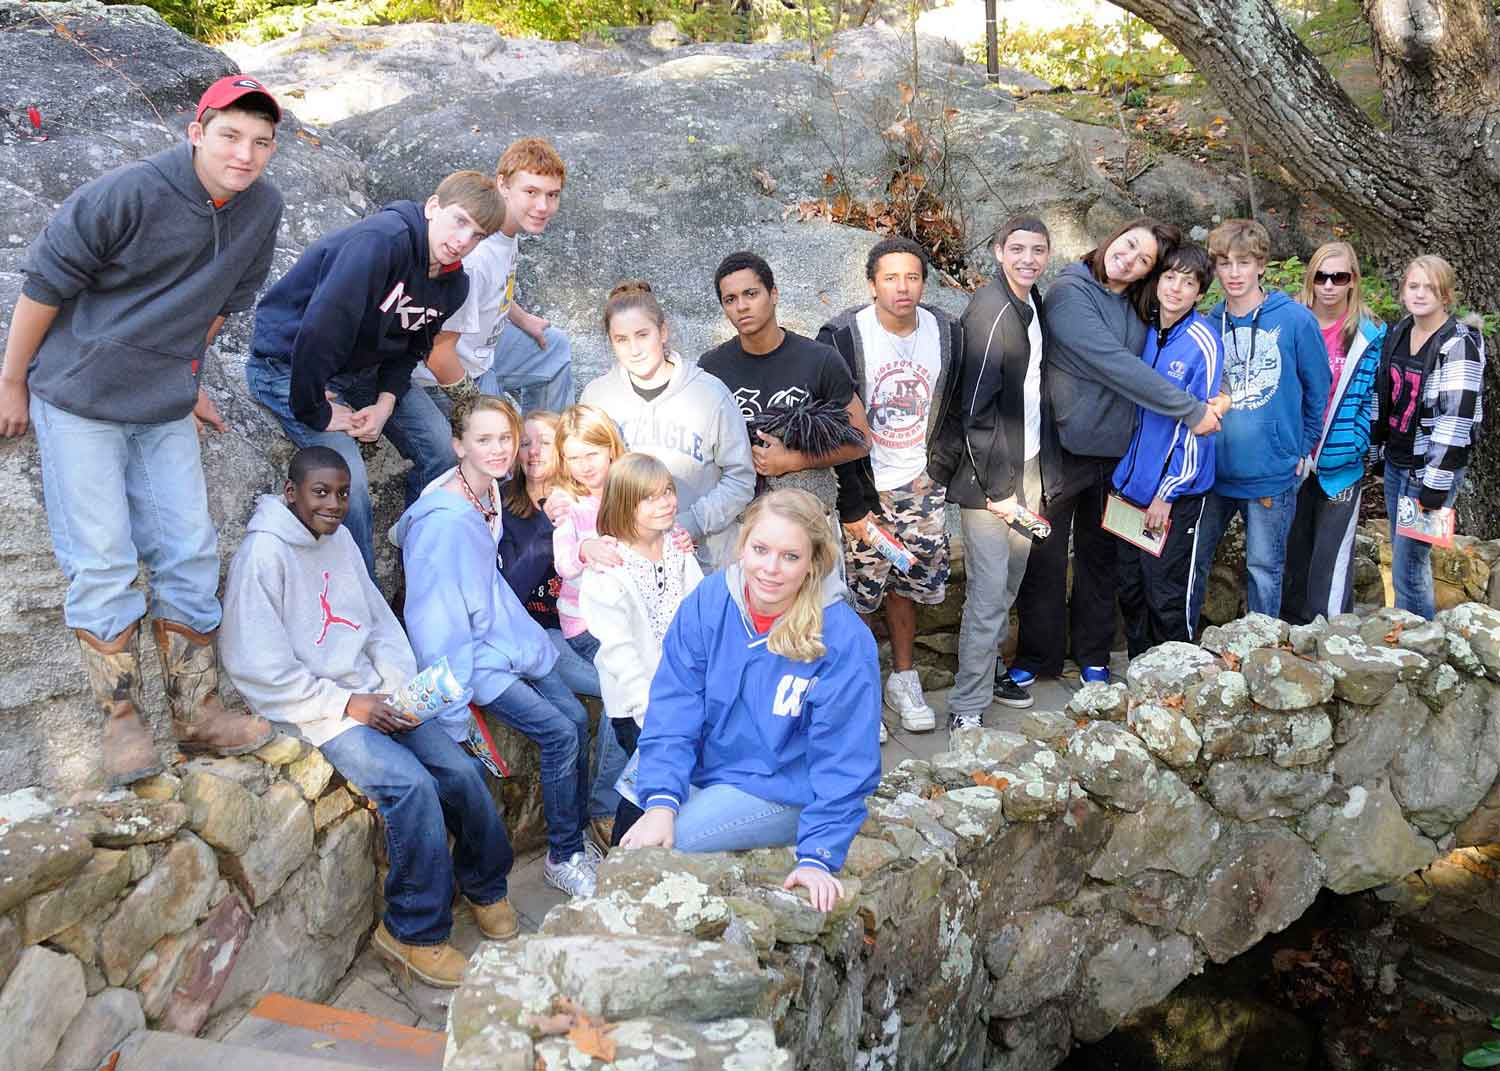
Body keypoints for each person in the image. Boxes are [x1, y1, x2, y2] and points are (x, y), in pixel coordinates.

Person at [0, 75, 286, 785]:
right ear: (196, 130)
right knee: (101, 557)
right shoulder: (128, 192)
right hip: (80, 395)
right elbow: (45, 282)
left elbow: (228, 299)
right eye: (230, 135)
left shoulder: (263, 207)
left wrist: (186, 374)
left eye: (261, 142)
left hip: (161, 401)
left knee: (189, 549)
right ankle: (121, 719)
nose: (244, 154)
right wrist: (12, 380)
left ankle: (197, 714)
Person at [221, 446, 517, 988]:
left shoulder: (340, 543)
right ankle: (413, 931)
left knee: (461, 770)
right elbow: (257, 666)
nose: (334, 505)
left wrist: (398, 692)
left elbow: (379, 626)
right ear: (291, 493)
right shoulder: (263, 556)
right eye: (320, 493)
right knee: (410, 787)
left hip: (374, 696)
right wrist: (346, 704)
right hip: (317, 713)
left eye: (341, 493)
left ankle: (484, 885)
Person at [619, 489, 882, 913]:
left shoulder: (842, 638)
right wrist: (662, 798)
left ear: (814, 561)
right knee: (632, 827)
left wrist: (819, 855)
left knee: (660, 851)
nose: (771, 569)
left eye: (790, 556)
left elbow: (846, 758)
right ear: (743, 546)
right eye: (760, 549)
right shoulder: (710, 601)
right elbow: (674, 704)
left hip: (778, 787)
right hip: (710, 762)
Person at [247, 170, 505, 576]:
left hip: (365, 372)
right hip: (291, 364)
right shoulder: (381, 243)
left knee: (443, 452)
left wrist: (386, 403)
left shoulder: (454, 286)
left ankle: (422, 574)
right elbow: (320, 329)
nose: (461, 240)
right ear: (433, 207)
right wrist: (316, 408)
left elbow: (413, 348)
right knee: (348, 483)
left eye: (476, 235)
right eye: (459, 221)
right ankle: (362, 599)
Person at [394, 395, 598, 898]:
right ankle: (563, 853)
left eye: (505, 438)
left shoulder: (488, 491)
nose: (500, 449)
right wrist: (454, 708)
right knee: (557, 731)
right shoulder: (443, 519)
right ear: (457, 444)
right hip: (474, 658)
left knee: (574, 719)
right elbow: (437, 619)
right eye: (484, 440)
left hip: (510, 636)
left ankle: (572, 836)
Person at [1010, 217, 1221, 687]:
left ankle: (1093, 656)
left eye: (1143, 260)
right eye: (1127, 246)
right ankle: (1036, 659)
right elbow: (1116, 364)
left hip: (1118, 458)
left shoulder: (1134, 302)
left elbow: (1175, 353)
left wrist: (1215, 394)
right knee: (1044, 555)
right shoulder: (1070, 292)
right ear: (1112, 238)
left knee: (1100, 559)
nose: (1128, 259)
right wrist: (1190, 409)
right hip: (1064, 448)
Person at [816, 237, 962, 735]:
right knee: (858, 593)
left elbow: (957, 403)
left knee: (907, 583)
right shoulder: (841, 336)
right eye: (891, 277)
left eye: (913, 277)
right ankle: (863, 693)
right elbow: (831, 421)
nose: (903, 288)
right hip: (863, 488)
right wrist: (851, 497)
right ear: (872, 282)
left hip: (919, 484)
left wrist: (938, 469)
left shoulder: (945, 330)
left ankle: (903, 679)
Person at [1187, 219, 1330, 630]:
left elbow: (1317, 389)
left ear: (1262, 265)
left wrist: (1303, 447)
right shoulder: (1208, 324)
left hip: (1272, 470)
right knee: (1194, 561)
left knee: (1264, 568)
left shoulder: (1295, 321)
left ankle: (1263, 650)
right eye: (1224, 263)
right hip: (1212, 471)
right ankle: (1183, 646)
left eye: (1243, 263)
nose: (1233, 273)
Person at [937, 216, 1051, 728]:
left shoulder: (1032, 301)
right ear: (999, 251)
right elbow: (975, 410)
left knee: (1008, 586)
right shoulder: (990, 310)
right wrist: (1002, 492)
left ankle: (987, 676)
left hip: (1026, 468)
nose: (1028, 259)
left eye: (1038, 250)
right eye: (1018, 249)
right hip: (988, 483)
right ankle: (966, 708)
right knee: (987, 596)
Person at [579, 280, 755, 571]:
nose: (634, 349)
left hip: (700, 559)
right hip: (627, 562)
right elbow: (579, 473)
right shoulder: (596, 396)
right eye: (621, 339)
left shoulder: (711, 394)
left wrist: (692, 522)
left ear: (662, 331)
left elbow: (740, 479)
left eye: (642, 335)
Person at [578, 454, 704, 843]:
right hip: (638, 705)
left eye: (667, 491)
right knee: (648, 786)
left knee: (663, 786)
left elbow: (701, 614)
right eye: (649, 498)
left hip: (685, 692)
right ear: (623, 504)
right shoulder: (608, 571)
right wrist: (652, 713)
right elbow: (619, 653)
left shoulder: (676, 547)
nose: (666, 502)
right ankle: (622, 861)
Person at [699, 252, 873, 521]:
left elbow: (861, 441)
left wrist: (793, 461)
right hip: (741, 525)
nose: (742, 306)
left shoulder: (820, 359)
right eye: (730, 300)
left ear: (774, 294)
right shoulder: (711, 368)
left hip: (809, 522)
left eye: (751, 294)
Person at [1111, 243, 1223, 654]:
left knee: (1165, 595)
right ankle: (1141, 676)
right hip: (1129, 488)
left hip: (1172, 495)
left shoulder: (1203, 341)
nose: (1176, 288)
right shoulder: (1143, 328)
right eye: (1170, 277)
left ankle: (1178, 681)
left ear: (1199, 292)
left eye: (1188, 282)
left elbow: (1201, 425)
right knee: (1131, 590)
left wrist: (1167, 492)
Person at [416, 137, 573, 413]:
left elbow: (495, 287)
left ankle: (544, 442)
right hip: (450, 372)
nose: (543, 207)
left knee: (554, 347)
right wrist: (477, 404)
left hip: (483, 349)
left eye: (552, 195)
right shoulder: (476, 254)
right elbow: (437, 351)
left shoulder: (506, 231)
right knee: (499, 438)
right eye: (531, 192)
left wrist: (523, 319)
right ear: (503, 185)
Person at [1373, 255, 1485, 620]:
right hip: (1397, 461)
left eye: (1430, 288)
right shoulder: (1399, 332)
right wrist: (1378, 452)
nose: (1420, 294)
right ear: (1403, 290)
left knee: (1410, 561)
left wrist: (1435, 487)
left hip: (1431, 471)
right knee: (1401, 553)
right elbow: (1385, 397)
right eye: (1414, 286)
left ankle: (1421, 642)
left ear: (1446, 295)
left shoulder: (1459, 345)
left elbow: (1456, 420)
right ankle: (1406, 633)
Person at [1281, 242, 1386, 624]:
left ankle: (1330, 642)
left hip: (1341, 461)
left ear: (1352, 282)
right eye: (1321, 276)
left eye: (1338, 277)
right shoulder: (1293, 322)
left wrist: (1357, 443)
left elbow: (1376, 401)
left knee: (1331, 559)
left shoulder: (1368, 337)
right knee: (1291, 554)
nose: (1329, 285)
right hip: (1293, 459)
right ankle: (1288, 639)